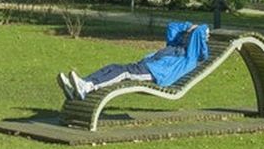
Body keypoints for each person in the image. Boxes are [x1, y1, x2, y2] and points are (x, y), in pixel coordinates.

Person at [60, 21, 210, 100]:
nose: (186, 36)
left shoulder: (191, 56)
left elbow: (200, 32)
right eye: (186, 34)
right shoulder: (175, 45)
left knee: (123, 73)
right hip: (146, 66)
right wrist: (188, 26)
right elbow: (171, 26)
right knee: (114, 67)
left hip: (156, 74)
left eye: (189, 35)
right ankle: (79, 86)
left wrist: (198, 29)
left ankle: (87, 86)